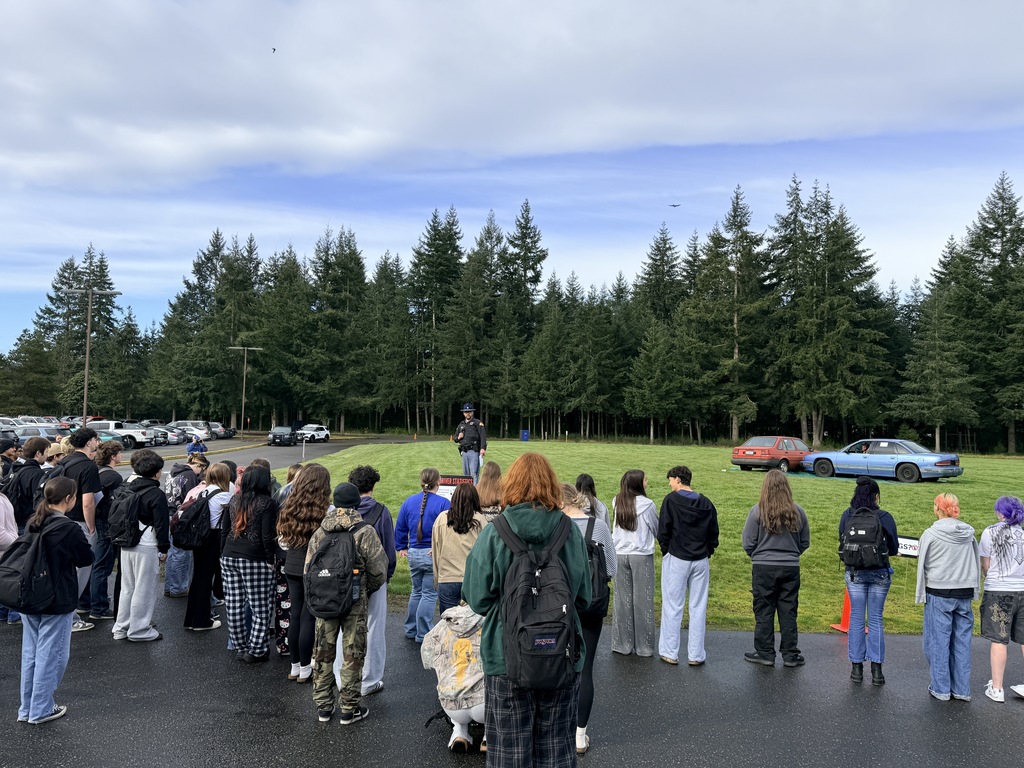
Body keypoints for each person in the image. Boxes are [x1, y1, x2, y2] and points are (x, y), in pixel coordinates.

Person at [462, 452, 591, 768]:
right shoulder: (568, 531)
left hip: (506, 657)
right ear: (551, 485)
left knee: (508, 752)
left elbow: (476, 597)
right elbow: (584, 597)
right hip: (562, 654)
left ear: (511, 485)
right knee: (557, 750)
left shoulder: (496, 532)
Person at [307, 482, 388, 725]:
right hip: (354, 601)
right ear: (356, 503)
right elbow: (378, 570)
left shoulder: (321, 531)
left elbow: (308, 569)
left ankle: (323, 707)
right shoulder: (364, 531)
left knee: (322, 652)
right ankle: (349, 708)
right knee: (353, 654)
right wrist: (365, 590)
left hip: (325, 600)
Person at [16, 476, 93, 724]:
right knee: (53, 654)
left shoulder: (35, 521)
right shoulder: (68, 527)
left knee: (31, 653)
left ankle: (27, 708)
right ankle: (41, 709)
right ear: (69, 499)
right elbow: (85, 558)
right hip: (56, 596)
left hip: (29, 594)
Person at [562, 482, 616, 756]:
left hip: (561, 605)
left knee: (559, 666)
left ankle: (558, 728)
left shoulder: (558, 527)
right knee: (586, 668)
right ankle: (579, 735)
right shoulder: (599, 526)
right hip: (593, 603)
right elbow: (611, 568)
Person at [741, 469, 810, 667]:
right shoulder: (798, 512)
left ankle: (764, 652)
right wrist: (791, 554)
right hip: (790, 567)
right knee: (788, 610)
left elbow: (748, 542)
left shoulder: (757, 511)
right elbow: (804, 542)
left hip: (763, 567)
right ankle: (790, 654)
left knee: (764, 609)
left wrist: (758, 555)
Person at [915, 492, 979, 701]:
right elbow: (975, 562)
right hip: (964, 591)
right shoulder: (968, 533)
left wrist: (921, 592)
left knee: (938, 642)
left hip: (939, 592)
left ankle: (941, 688)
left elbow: (922, 564)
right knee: (961, 642)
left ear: (937, 508)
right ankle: (961, 689)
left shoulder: (931, 534)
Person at [839, 476, 899, 685]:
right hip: (879, 572)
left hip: (855, 572)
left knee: (856, 618)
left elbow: (842, 543)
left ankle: (856, 669)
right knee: (875, 620)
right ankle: (877, 671)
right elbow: (894, 548)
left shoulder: (847, 516)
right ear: (876, 496)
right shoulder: (884, 517)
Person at [657, 465, 719, 666]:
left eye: (670, 479)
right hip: (700, 560)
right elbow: (713, 533)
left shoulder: (671, 500)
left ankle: (670, 652)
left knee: (673, 606)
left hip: (677, 558)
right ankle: (696, 655)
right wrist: (707, 551)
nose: (669, 483)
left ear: (677, 479)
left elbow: (663, 530)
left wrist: (666, 550)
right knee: (698, 607)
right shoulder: (706, 503)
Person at [277, 464, 331, 683]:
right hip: (313, 568)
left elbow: (282, 541)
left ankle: (295, 666)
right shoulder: (327, 510)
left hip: (291, 565)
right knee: (308, 616)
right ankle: (307, 667)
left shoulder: (288, 506)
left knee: (295, 614)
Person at [220, 465, 279, 662]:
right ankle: (257, 649)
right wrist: (271, 560)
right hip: (254, 557)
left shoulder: (234, 499)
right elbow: (267, 536)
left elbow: (224, 529)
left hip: (229, 555)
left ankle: (240, 645)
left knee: (234, 604)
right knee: (260, 607)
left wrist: (222, 553)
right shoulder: (266, 503)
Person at [111, 449, 170, 643]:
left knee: (127, 587)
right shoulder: (156, 494)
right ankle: (139, 629)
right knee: (144, 588)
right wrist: (164, 548)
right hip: (147, 544)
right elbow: (161, 524)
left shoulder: (126, 487)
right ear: (156, 472)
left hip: (126, 542)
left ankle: (121, 627)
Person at [348, 465, 395, 696]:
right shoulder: (382, 512)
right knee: (374, 627)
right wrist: (388, 576)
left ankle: (342, 675)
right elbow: (389, 549)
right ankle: (369, 679)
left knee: (344, 628)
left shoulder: (341, 512)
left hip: (344, 578)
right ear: (373, 486)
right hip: (374, 577)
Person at [421, 603, 485, 752]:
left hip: (451, 704)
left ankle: (459, 732)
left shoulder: (446, 622)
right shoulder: (492, 617)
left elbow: (427, 658)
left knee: (451, 678)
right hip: (484, 704)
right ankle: (489, 737)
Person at [395, 467, 450, 643]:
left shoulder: (409, 502)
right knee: (429, 594)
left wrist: (402, 546)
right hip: (431, 553)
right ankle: (424, 633)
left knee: (416, 592)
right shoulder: (443, 503)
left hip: (413, 553)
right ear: (439, 482)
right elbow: (449, 529)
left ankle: (411, 629)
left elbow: (401, 526)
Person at [978, 496, 1024, 703]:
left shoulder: (990, 532)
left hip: (999, 589)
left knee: (999, 639)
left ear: (1000, 513)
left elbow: (985, 564)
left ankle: (997, 688)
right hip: (1022, 588)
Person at [1, 438, 49, 625]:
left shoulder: (16, 470)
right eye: (45, 452)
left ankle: (4, 611)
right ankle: (15, 613)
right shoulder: (35, 474)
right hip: (24, 525)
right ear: (38, 454)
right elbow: (37, 502)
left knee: (7, 567)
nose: (46, 455)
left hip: (15, 522)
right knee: (20, 571)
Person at [611, 469, 658, 657]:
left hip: (620, 553)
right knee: (643, 600)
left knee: (622, 601)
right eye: (645, 479)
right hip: (641, 554)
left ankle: (622, 644)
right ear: (638, 483)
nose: (647, 482)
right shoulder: (648, 505)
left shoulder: (617, 501)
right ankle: (644, 647)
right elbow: (655, 526)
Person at [60, 428, 102, 634]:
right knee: (81, 571)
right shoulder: (88, 466)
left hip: (61, 520)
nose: (97, 443)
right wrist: (91, 527)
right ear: (89, 443)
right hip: (79, 523)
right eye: (95, 440)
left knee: (65, 570)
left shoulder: (66, 462)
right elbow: (88, 503)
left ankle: (64, 612)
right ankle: (70, 616)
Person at [183, 463, 233, 632]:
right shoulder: (223, 495)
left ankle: (192, 618)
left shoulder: (203, 491)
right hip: (213, 538)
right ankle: (201, 620)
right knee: (206, 579)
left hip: (199, 537)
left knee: (198, 577)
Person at [432, 483, 488, 614]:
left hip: (447, 579)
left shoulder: (441, 519)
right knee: (472, 627)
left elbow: (436, 552)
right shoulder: (480, 521)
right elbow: (485, 554)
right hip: (472, 580)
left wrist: (437, 580)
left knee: (448, 627)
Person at [86, 440, 124, 621]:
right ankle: (99, 607)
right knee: (102, 565)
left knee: (94, 563)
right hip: (107, 524)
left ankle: (88, 602)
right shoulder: (114, 478)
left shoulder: (97, 473)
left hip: (96, 521)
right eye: (120, 453)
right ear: (113, 456)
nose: (122, 456)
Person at [165, 453, 208, 598]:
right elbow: (191, 498)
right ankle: (178, 587)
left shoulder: (173, 472)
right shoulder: (190, 475)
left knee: (172, 552)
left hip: (169, 513)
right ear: (198, 466)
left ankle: (169, 586)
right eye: (202, 470)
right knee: (182, 554)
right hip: (180, 516)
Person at [453, 403, 487, 483]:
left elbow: (483, 436)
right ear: (463, 413)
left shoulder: (477, 423)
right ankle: (467, 491)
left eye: (469, 411)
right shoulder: (461, 425)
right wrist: (459, 437)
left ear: (472, 412)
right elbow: (455, 439)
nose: (468, 413)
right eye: (466, 412)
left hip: (474, 451)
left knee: (473, 473)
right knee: (466, 474)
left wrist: (482, 448)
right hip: (464, 452)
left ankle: (474, 492)